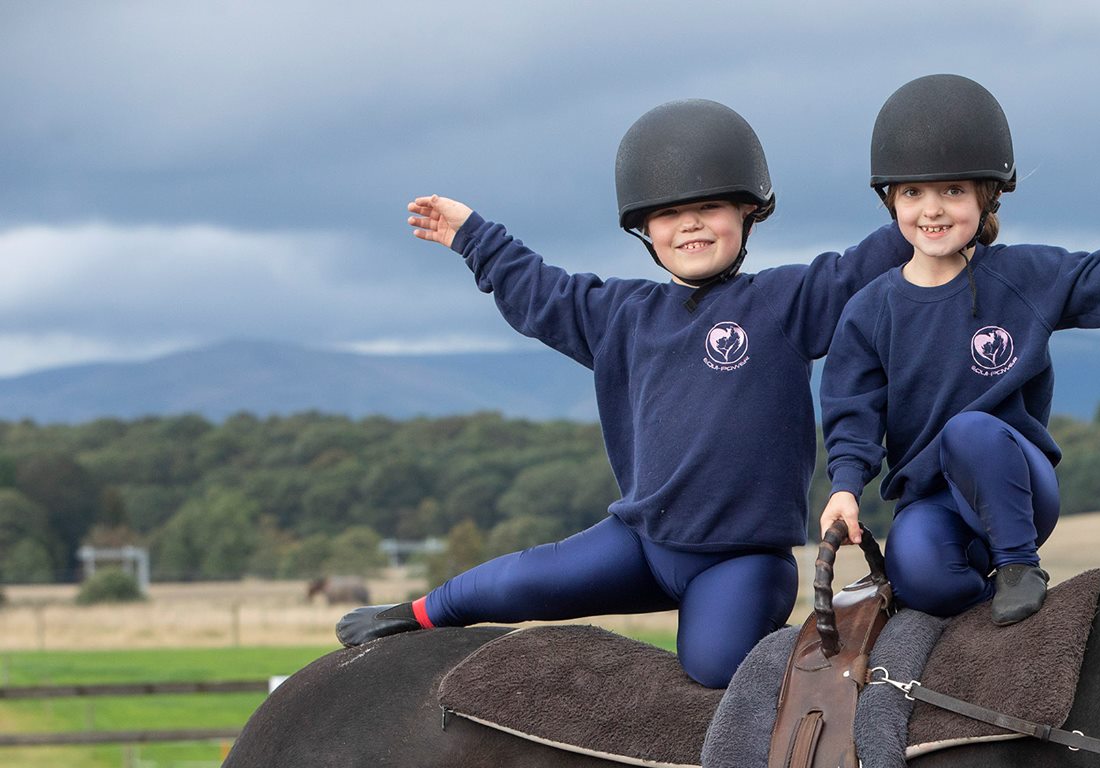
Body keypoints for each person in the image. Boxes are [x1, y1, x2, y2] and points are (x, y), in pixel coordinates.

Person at [337, 99, 912, 686]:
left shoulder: (786, 301)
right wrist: (473, 236)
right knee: (511, 584)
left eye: (708, 207)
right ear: (645, 230)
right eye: (668, 214)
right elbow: (541, 292)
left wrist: (926, 204)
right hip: (639, 543)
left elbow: (860, 268)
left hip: (742, 563)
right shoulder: (621, 315)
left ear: (747, 211)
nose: (689, 224)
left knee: (713, 668)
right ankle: (410, 616)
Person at [818, 75, 1100, 626]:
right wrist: (843, 488)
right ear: (891, 201)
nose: (931, 210)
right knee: (919, 576)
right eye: (913, 193)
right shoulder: (868, 310)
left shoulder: (1021, 276)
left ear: (987, 195)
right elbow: (852, 412)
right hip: (932, 501)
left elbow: (1098, 272)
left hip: (1019, 489)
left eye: (952, 191)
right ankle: (988, 610)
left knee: (970, 429)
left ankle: (1019, 567)